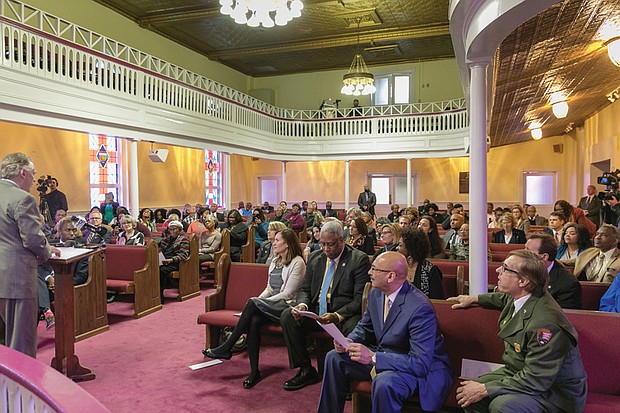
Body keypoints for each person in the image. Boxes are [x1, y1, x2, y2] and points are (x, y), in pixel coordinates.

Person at [449, 250, 587, 413]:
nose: (498, 270)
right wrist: (474, 298)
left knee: (501, 405)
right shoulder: (525, 295)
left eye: (505, 268)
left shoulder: (546, 324)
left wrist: (486, 389)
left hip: (554, 394)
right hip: (519, 372)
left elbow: (536, 379)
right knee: (468, 393)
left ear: (523, 281)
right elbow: (502, 298)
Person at [317, 252, 453, 413]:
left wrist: (373, 357)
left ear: (390, 276)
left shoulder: (420, 308)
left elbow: (419, 363)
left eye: (374, 269)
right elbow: (365, 327)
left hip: (416, 369)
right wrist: (348, 341)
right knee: (334, 357)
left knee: (384, 382)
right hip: (386, 357)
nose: (369, 272)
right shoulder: (376, 293)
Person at [204, 229, 306, 388]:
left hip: (288, 307)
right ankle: (254, 372)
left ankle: (227, 346)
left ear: (287, 244)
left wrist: (260, 303)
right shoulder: (274, 261)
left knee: (253, 303)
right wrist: (259, 301)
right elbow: (270, 288)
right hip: (273, 305)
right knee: (254, 320)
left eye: (277, 240)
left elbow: (288, 294)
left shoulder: (297, 262)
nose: (274, 242)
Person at [280, 221, 370, 391]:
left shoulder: (358, 259)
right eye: (322, 244)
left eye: (330, 244)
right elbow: (305, 289)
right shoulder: (315, 258)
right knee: (287, 316)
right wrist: (303, 305)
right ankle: (306, 369)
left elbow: (359, 299)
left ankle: (347, 377)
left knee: (354, 327)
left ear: (341, 240)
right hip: (318, 311)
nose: (326, 249)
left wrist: (336, 315)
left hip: (344, 314)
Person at [0, 152, 59, 357]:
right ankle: (21, 389)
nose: (35, 179)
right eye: (33, 174)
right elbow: (33, 239)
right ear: (22, 172)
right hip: (17, 278)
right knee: (21, 341)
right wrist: (48, 251)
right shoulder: (23, 199)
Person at [525, 233, 582, 309]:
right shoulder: (517, 272)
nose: (522, 254)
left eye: (528, 251)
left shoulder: (567, 283)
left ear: (544, 257)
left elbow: (560, 317)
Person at [398, 226, 444, 299]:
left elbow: (437, 300)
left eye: (400, 245)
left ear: (411, 248)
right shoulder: (395, 267)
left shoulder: (430, 270)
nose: (397, 248)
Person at [158, 220, 190, 302]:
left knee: (161, 270)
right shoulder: (166, 240)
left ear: (180, 230)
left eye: (174, 229)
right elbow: (160, 250)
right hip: (164, 260)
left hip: (176, 263)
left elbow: (183, 255)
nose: (172, 231)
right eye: (170, 229)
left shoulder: (184, 240)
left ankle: (159, 294)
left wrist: (171, 260)